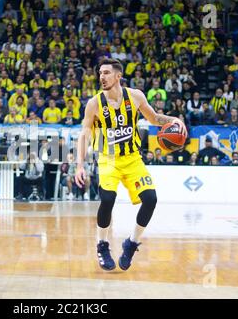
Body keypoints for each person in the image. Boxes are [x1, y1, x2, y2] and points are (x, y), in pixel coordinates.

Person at [75, 58, 187, 271]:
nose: (102, 77)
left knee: (151, 199)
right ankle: (102, 244)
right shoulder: (94, 104)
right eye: (100, 73)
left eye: (106, 73)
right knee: (107, 199)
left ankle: (131, 243)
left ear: (118, 76)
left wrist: (173, 120)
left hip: (133, 159)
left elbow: (154, 118)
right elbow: (84, 135)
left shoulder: (135, 96)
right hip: (108, 159)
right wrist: (79, 165)